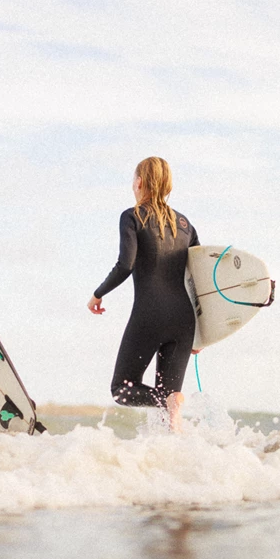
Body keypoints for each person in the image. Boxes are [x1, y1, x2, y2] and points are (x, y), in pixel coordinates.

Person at [88, 157, 199, 433]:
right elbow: (200, 279)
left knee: (122, 389)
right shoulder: (186, 226)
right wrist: (202, 333)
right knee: (168, 415)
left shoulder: (132, 216)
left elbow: (125, 264)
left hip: (149, 316)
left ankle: (167, 402)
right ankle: (169, 464)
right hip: (184, 322)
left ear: (139, 182)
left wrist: (98, 293)